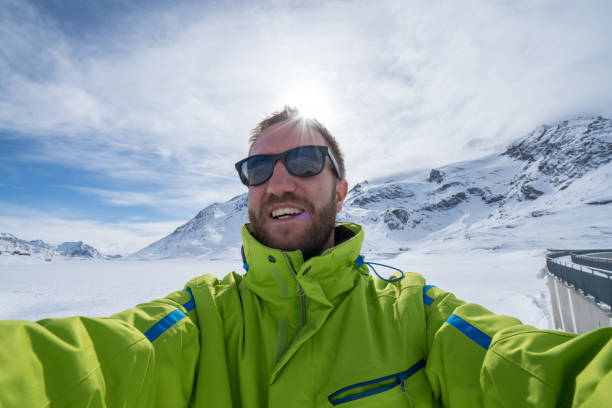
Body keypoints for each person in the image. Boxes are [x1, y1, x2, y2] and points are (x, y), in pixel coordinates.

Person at [0, 107, 610, 407]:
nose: (280, 181)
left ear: (340, 190)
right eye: (259, 168)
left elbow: (544, 376)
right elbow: (89, 366)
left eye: (305, 162)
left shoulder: (416, 314)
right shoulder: (199, 317)